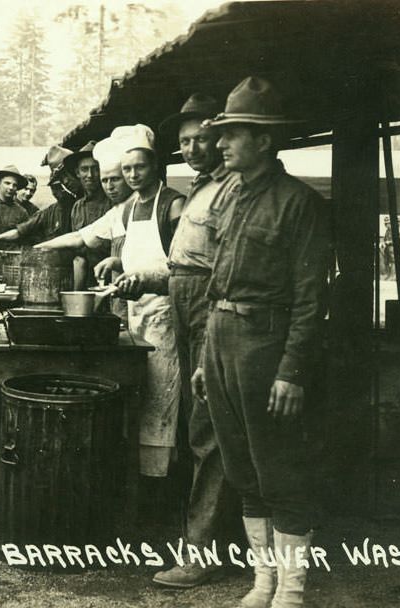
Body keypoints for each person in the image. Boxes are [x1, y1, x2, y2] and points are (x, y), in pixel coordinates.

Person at [193, 77, 332, 608]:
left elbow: (310, 298)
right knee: (243, 469)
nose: (221, 144)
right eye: (222, 134)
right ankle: (264, 582)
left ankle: (292, 590)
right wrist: (207, 359)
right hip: (224, 344)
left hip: (266, 347)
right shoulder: (229, 197)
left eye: (234, 134)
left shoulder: (299, 204)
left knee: (281, 471)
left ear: (265, 142)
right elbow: (215, 287)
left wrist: (292, 370)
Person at [37, 124, 187, 481]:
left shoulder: (173, 204)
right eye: (128, 169)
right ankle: (136, 478)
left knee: (162, 397)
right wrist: (41, 248)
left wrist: (141, 273)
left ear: (155, 166)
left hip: (165, 314)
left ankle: (158, 484)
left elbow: (182, 262)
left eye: (140, 168)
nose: (133, 175)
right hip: (133, 314)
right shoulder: (126, 208)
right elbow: (83, 236)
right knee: (137, 394)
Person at [137, 93, 245, 589]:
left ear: (221, 137)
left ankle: (205, 552)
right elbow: (183, 262)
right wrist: (144, 275)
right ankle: (209, 536)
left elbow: (222, 267)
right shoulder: (200, 187)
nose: (193, 147)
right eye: (184, 141)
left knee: (209, 429)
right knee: (195, 426)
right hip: (183, 302)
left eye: (201, 138)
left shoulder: (232, 189)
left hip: (209, 308)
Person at [63, 140, 111, 289]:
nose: (90, 175)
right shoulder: (77, 207)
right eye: (84, 169)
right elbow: (77, 248)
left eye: (95, 169)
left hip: (109, 279)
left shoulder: (112, 203)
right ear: (77, 173)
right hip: (84, 280)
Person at [0, 165, 30, 239]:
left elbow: (25, 237)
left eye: (14, 185)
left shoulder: (21, 212)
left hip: (11, 250)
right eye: (7, 183)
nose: (11, 187)